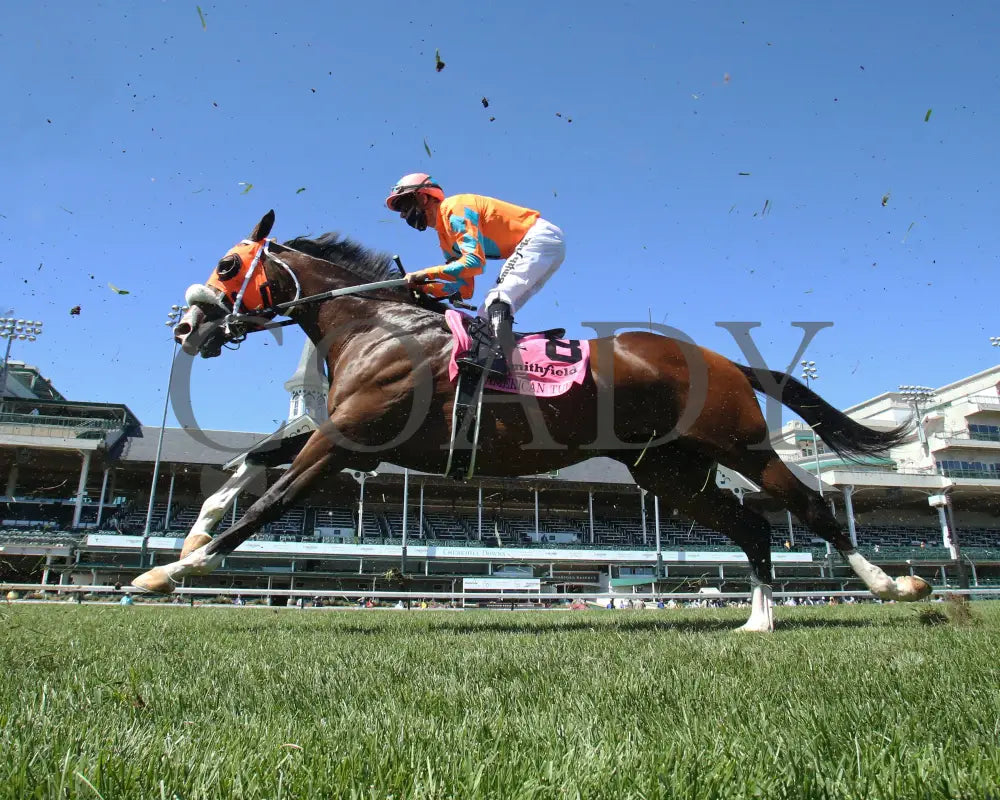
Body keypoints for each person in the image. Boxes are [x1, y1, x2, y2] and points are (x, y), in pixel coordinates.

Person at [384, 173, 566, 377]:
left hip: (539, 237)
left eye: (405, 205)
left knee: (496, 300)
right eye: (400, 210)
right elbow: (464, 288)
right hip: (535, 245)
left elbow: (474, 262)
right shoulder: (445, 239)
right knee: (484, 315)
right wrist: (424, 288)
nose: (403, 215)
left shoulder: (455, 208)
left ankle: (498, 360)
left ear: (424, 197)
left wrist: (424, 273)